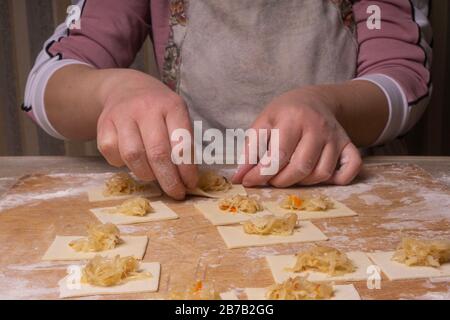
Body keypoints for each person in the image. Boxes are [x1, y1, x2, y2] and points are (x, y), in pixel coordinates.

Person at [23, 0, 431, 199]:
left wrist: (330, 104)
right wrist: (112, 91)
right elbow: (47, 84)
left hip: (344, 182)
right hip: (188, 186)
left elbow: (403, 78)